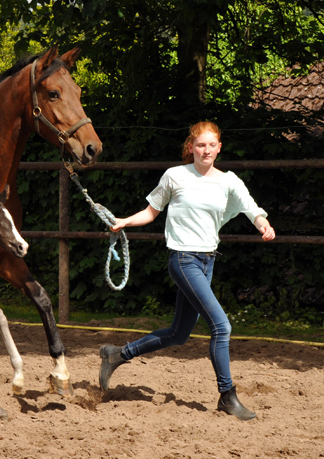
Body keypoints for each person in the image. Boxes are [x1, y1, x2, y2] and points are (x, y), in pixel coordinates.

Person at [99, 121, 275, 421]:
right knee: (222, 327)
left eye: (211, 145)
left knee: (179, 334)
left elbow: (250, 207)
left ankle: (117, 354)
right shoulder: (175, 176)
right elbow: (152, 211)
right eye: (200, 145)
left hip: (208, 261)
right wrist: (125, 221)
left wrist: (263, 225)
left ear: (219, 147)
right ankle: (227, 396)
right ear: (191, 147)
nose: (206, 150)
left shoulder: (229, 180)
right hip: (183, 260)